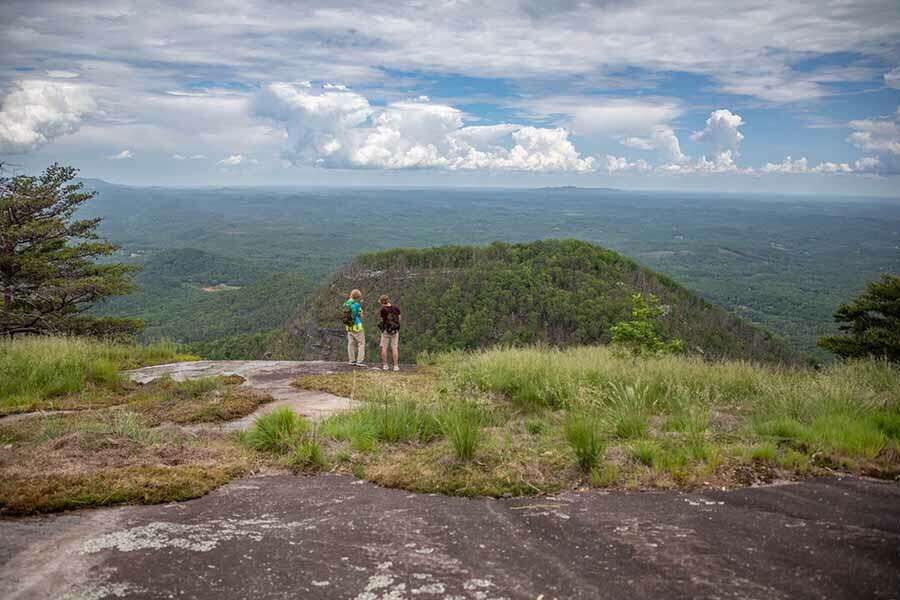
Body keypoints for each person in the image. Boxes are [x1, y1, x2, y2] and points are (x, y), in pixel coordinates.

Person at [378, 294, 401, 371]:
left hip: (386, 331)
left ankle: (385, 365)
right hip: (395, 331)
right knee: (394, 348)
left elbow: (382, 319)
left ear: (381, 302)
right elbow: (399, 318)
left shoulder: (383, 310)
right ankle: (396, 366)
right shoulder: (396, 308)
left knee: (384, 348)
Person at [342, 289, 365, 366]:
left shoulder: (346, 303)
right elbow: (359, 315)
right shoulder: (356, 305)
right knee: (361, 343)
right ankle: (360, 361)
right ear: (358, 297)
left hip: (348, 326)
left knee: (350, 343)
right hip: (356, 326)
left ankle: (352, 360)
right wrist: (360, 312)